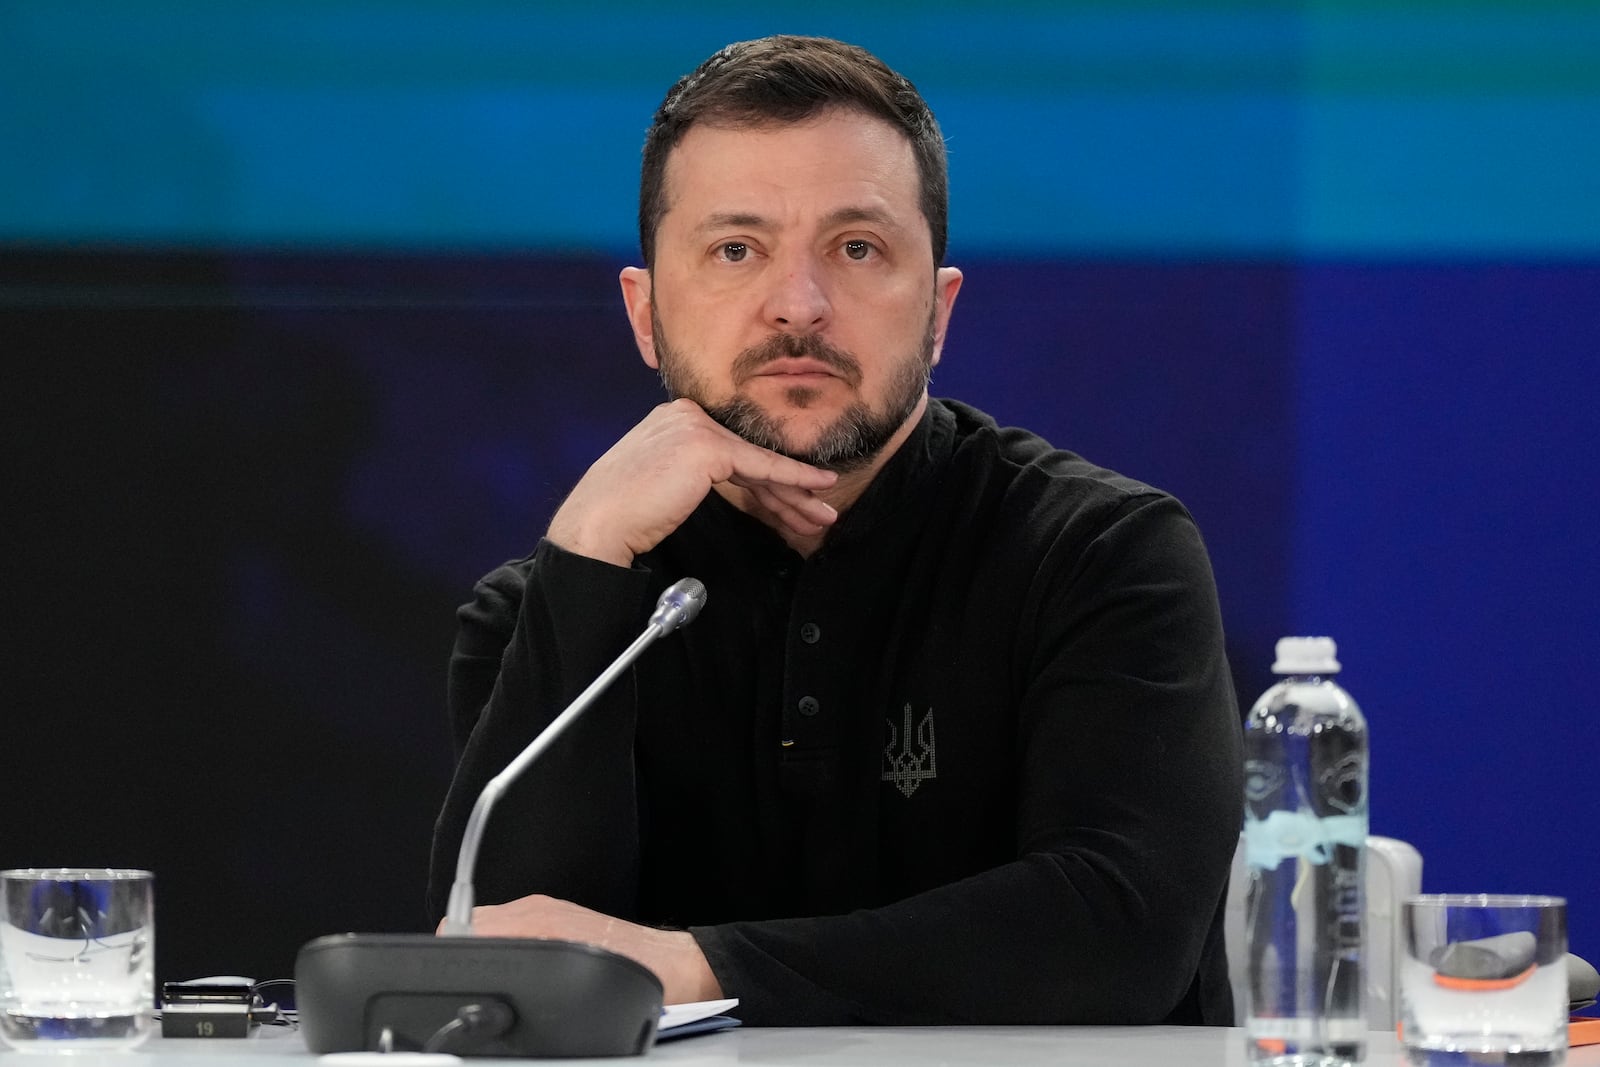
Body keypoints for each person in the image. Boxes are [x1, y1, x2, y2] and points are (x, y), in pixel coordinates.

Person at [429, 34, 1243, 1026]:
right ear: (643, 315)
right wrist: (589, 552)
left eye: (857, 248)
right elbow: (508, 967)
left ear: (938, 311)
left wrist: (694, 964)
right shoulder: (543, 610)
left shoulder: (1102, 554)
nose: (798, 307)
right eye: (737, 250)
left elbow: (1119, 935)